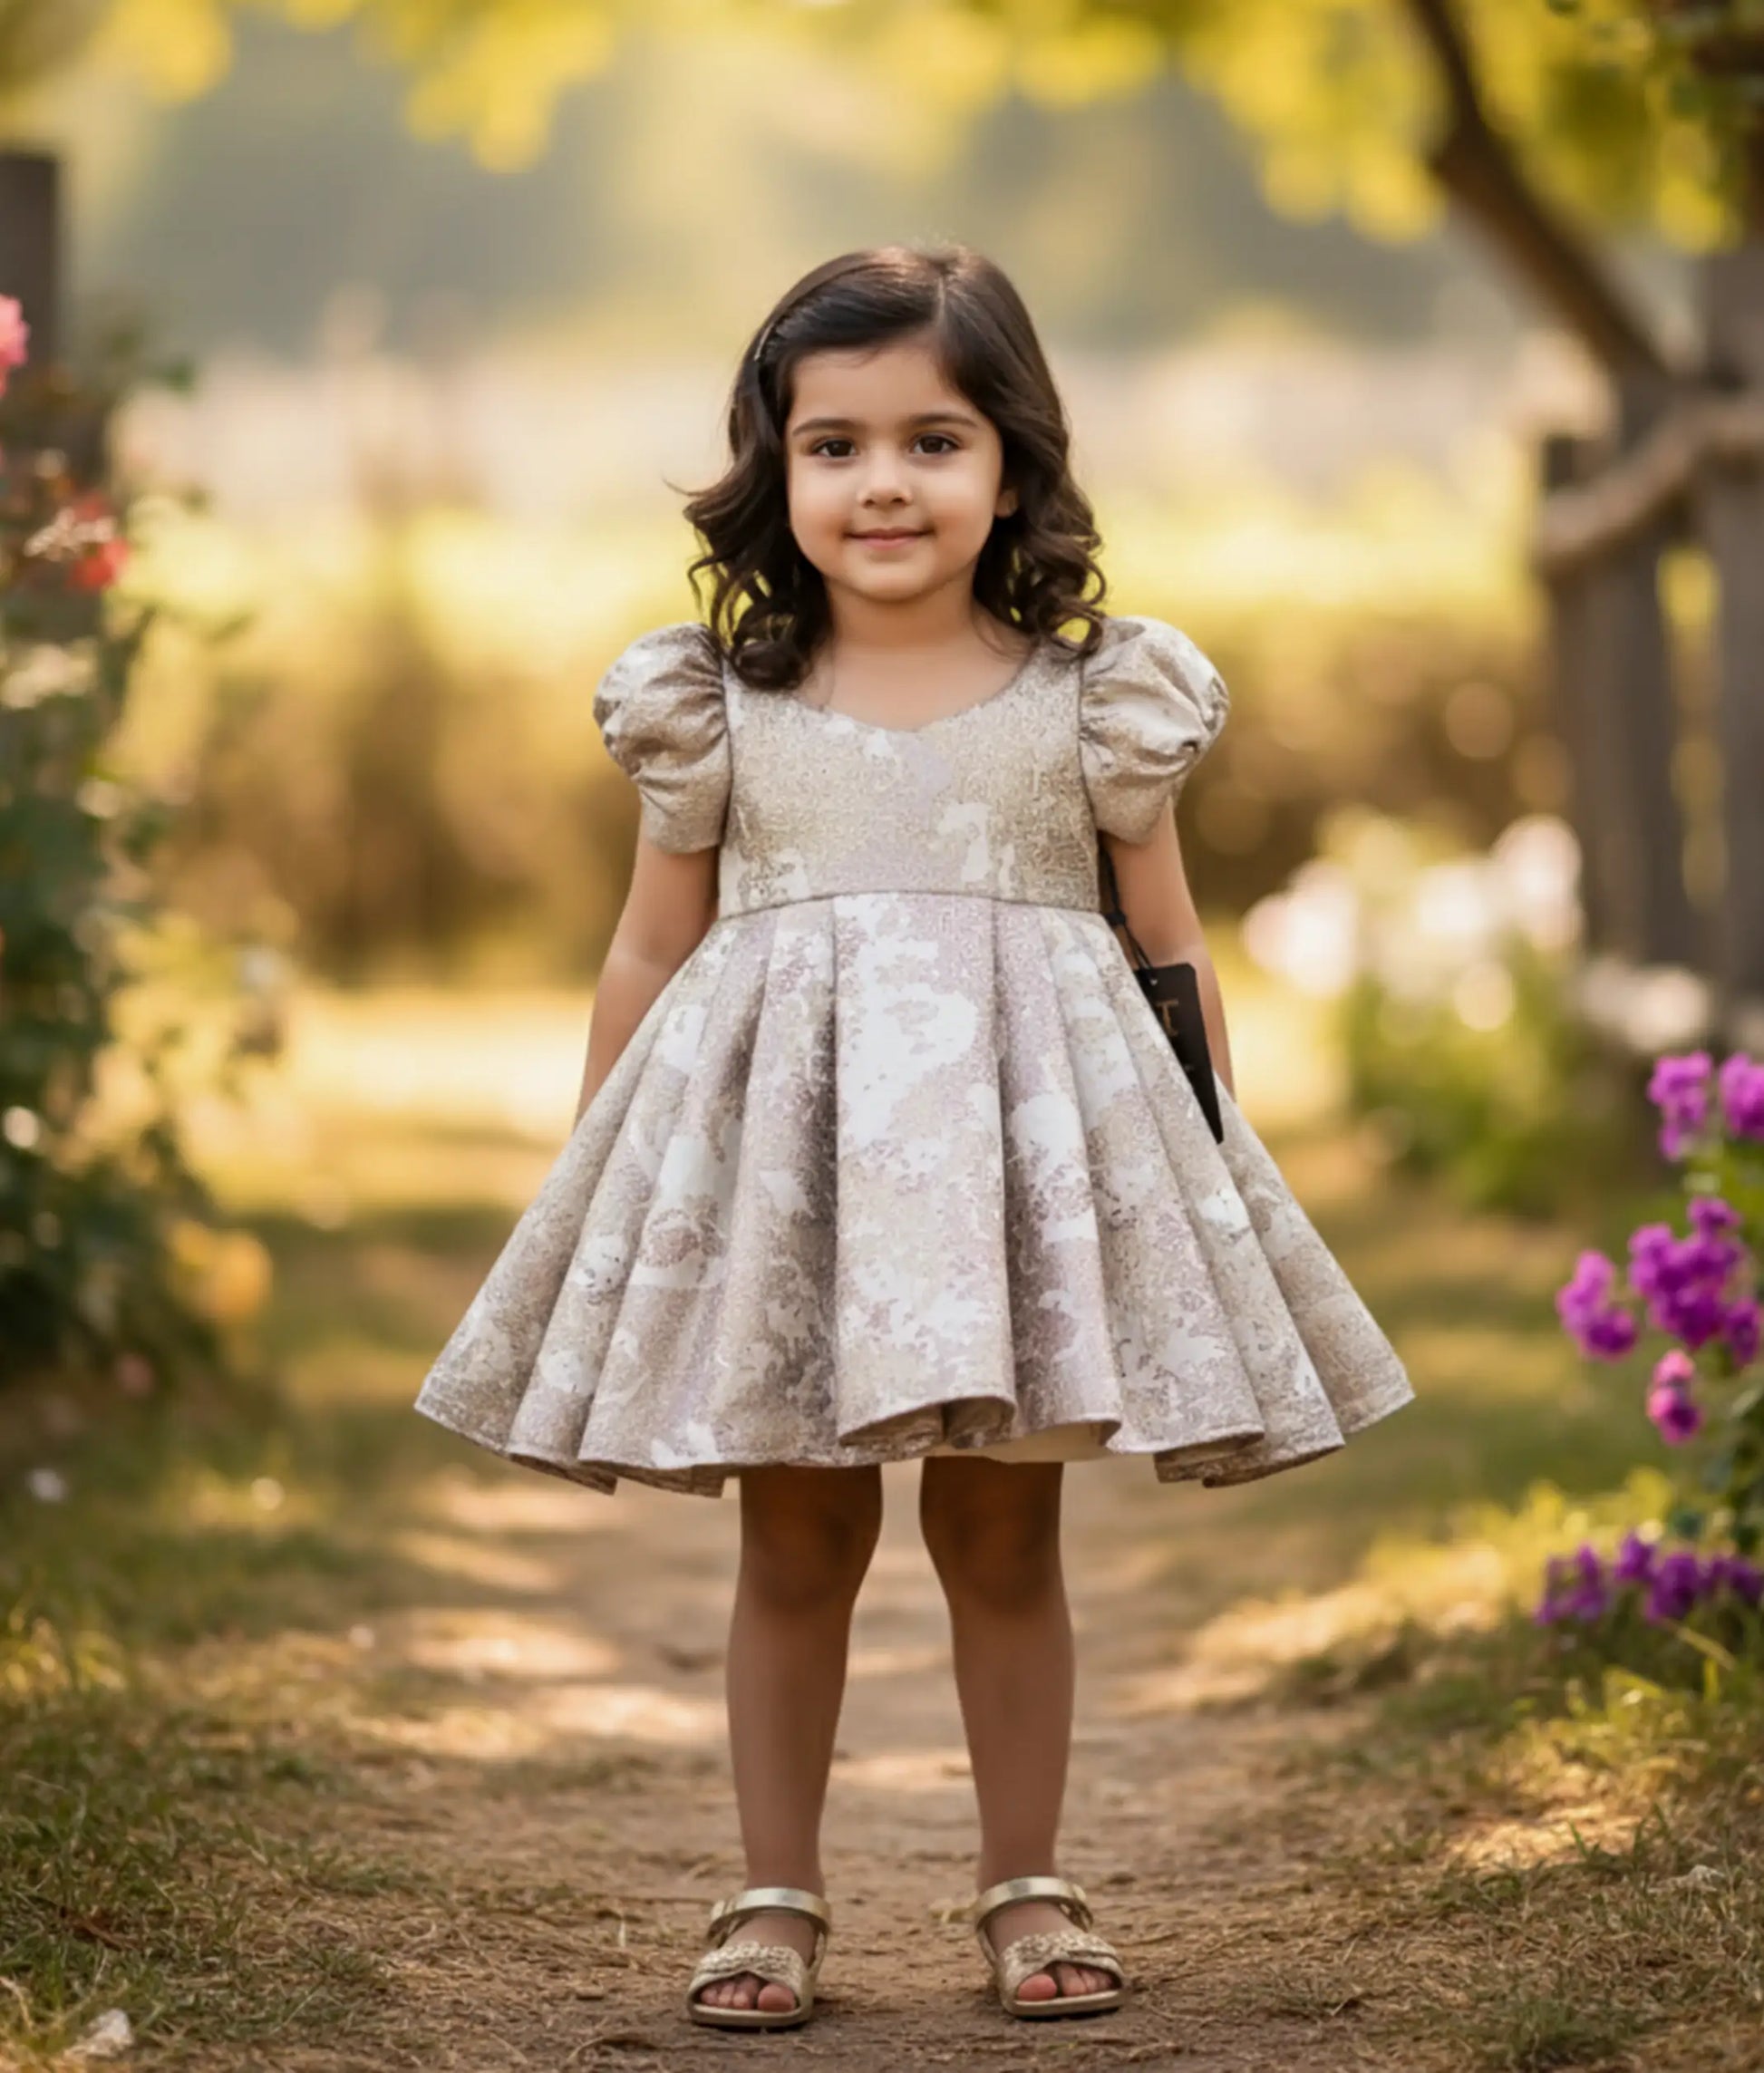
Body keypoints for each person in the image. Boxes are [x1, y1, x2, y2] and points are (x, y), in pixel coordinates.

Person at [412, 242, 1414, 2033]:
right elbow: (650, 942)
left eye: (934, 440)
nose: (884, 482)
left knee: (1002, 1540)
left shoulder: (1094, 698)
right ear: (772, 470)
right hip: (795, 1184)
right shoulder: (714, 703)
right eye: (837, 444)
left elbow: (1166, 941)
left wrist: (1195, 1163)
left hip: (1014, 1184)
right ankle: (771, 1895)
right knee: (793, 1540)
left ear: (1012, 463)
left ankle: (1025, 1884)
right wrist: (605, 1184)